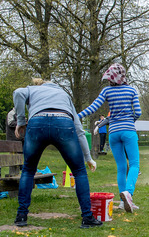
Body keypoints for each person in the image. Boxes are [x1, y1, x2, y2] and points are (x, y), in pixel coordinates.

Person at [13, 79, 101, 228]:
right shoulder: (64, 95)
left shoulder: (33, 89)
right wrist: (88, 157)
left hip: (37, 123)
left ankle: (21, 216)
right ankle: (87, 217)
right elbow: (79, 129)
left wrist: (21, 121)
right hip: (63, 123)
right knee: (79, 172)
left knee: (28, 170)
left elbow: (18, 93)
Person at [78, 64, 142, 213]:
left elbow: (93, 107)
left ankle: (122, 202)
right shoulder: (132, 90)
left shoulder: (106, 91)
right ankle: (128, 193)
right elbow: (138, 112)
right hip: (128, 131)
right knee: (134, 165)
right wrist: (129, 120)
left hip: (113, 132)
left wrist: (77, 115)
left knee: (121, 167)